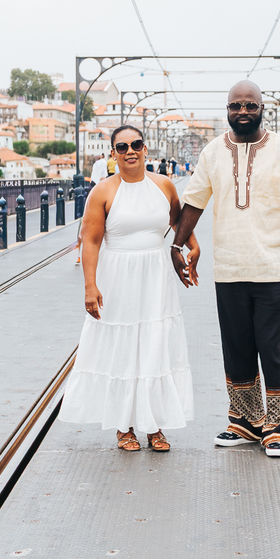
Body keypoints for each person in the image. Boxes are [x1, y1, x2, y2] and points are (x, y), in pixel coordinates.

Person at [171, 81, 280, 458]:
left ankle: (277, 425)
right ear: (227, 109)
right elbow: (194, 203)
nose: (243, 112)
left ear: (262, 107)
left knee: (273, 347)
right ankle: (246, 422)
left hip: (272, 268)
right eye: (236, 106)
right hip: (229, 268)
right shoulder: (212, 152)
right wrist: (177, 244)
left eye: (250, 105)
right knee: (237, 348)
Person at [62, 125, 199, 453]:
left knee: (155, 345)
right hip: (118, 276)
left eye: (136, 144)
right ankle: (124, 426)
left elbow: (179, 223)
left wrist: (193, 247)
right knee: (123, 348)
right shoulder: (103, 192)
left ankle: (155, 426)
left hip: (155, 277)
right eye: (122, 147)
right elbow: (91, 240)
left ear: (145, 148)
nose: (130, 151)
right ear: (113, 154)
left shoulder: (164, 185)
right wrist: (90, 286)